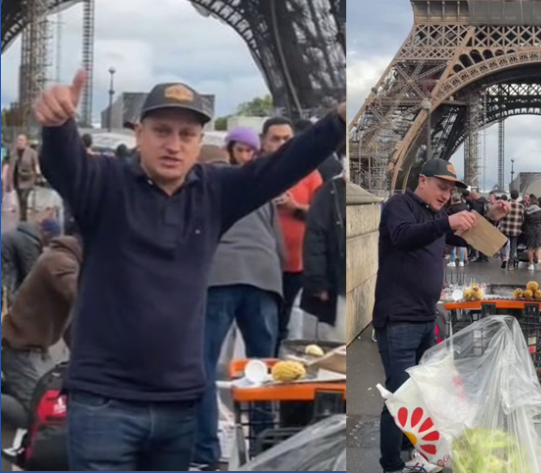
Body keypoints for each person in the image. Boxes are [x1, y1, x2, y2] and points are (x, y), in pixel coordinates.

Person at [34, 71, 345, 471]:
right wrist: (58, 126)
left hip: (178, 408)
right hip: (105, 404)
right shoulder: (104, 184)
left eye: (186, 134)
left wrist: (338, 120)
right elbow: (64, 165)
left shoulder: (214, 191)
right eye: (161, 131)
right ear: (138, 133)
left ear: (200, 141)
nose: (173, 145)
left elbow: (283, 166)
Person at [373, 158, 509, 473]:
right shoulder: (399, 206)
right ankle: (391, 465)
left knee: (422, 393)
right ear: (422, 180)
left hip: (426, 316)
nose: (446, 195)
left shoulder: (435, 216)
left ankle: (409, 448)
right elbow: (403, 236)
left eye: (450, 190)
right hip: (399, 319)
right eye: (441, 187)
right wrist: (447, 222)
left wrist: (490, 218)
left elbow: (462, 238)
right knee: (400, 396)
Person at [191, 137, 286, 471]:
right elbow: (279, 247)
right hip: (263, 276)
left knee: (203, 365)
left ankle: (205, 451)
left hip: (217, 276)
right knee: (263, 367)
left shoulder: (195, 188)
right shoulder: (255, 190)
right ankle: (264, 444)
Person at [261, 117, 324, 352]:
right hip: (261, 265)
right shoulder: (254, 173)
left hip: (294, 264)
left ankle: (276, 362)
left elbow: (321, 215)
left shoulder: (310, 173)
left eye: (286, 138)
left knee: (283, 319)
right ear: (263, 141)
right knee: (262, 323)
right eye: (275, 139)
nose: (282, 143)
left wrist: (294, 207)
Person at [0, 232, 81, 410]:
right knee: (41, 409)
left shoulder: (70, 260)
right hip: (21, 348)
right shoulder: (60, 262)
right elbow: (81, 296)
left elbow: (71, 320)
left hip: (36, 349)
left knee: (53, 404)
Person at [302, 157, 346, 341]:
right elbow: (315, 239)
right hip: (337, 287)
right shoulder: (329, 193)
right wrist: (317, 281)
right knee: (337, 342)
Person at [1, 219, 59, 296]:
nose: (49, 244)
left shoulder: (25, 236)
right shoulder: (29, 242)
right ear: (46, 234)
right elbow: (30, 274)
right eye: (51, 239)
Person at [7, 134, 39, 221]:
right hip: (17, 179)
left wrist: (37, 174)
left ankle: (23, 217)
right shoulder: (13, 153)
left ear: (26, 141)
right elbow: (11, 166)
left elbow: (36, 165)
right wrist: (9, 180)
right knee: (20, 199)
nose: (19, 142)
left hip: (28, 179)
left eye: (21, 140)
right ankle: (22, 217)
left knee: (24, 198)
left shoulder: (32, 153)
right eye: (18, 140)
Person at [498, 189, 525, 270]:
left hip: (505, 228)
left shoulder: (506, 205)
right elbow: (522, 218)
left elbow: (501, 216)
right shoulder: (521, 206)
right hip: (515, 229)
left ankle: (504, 258)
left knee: (504, 244)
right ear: (517, 196)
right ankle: (511, 264)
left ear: (510, 195)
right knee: (513, 247)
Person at [523, 195, 541, 271]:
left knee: (530, 248)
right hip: (538, 230)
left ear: (530, 201)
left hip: (530, 230)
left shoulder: (527, 211)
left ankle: (531, 265)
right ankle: (539, 261)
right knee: (538, 247)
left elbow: (524, 221)